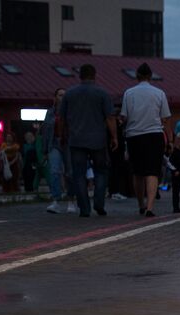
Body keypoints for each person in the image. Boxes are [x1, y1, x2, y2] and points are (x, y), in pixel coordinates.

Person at [58, 64, 117, 217]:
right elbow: (110, 118)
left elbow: (61, 119)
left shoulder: (69, 94)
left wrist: (62, 135)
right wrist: (114, 137)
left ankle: (84, 208)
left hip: (76, 139)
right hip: (98, 139)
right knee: (101, 171)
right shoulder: (102, 93)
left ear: (80, 75)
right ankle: (99, 203)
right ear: (94, 75)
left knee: (78, 174)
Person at [120, 63, 171, 218]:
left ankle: (140, 204)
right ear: (151, 76)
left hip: (134, 135)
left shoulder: (128, 93)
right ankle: (150, 206)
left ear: (137, 76)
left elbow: (124, 116)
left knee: (138, 173)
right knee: (152, 172)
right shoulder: (159, 93)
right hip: (154, 135)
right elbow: (166, 118)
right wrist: (169, 139)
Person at [42, 88, 78, 214]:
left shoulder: (72, 112)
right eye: (60, 95)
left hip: (68, 144)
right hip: (54, 144)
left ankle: (71, 200)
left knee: (70, 173)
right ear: (55, 97)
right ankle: (55, 200)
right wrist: (45, 150)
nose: (62, 97)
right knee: (54, 171)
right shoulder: (50, 113)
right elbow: (45, 132)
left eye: (64, 95)